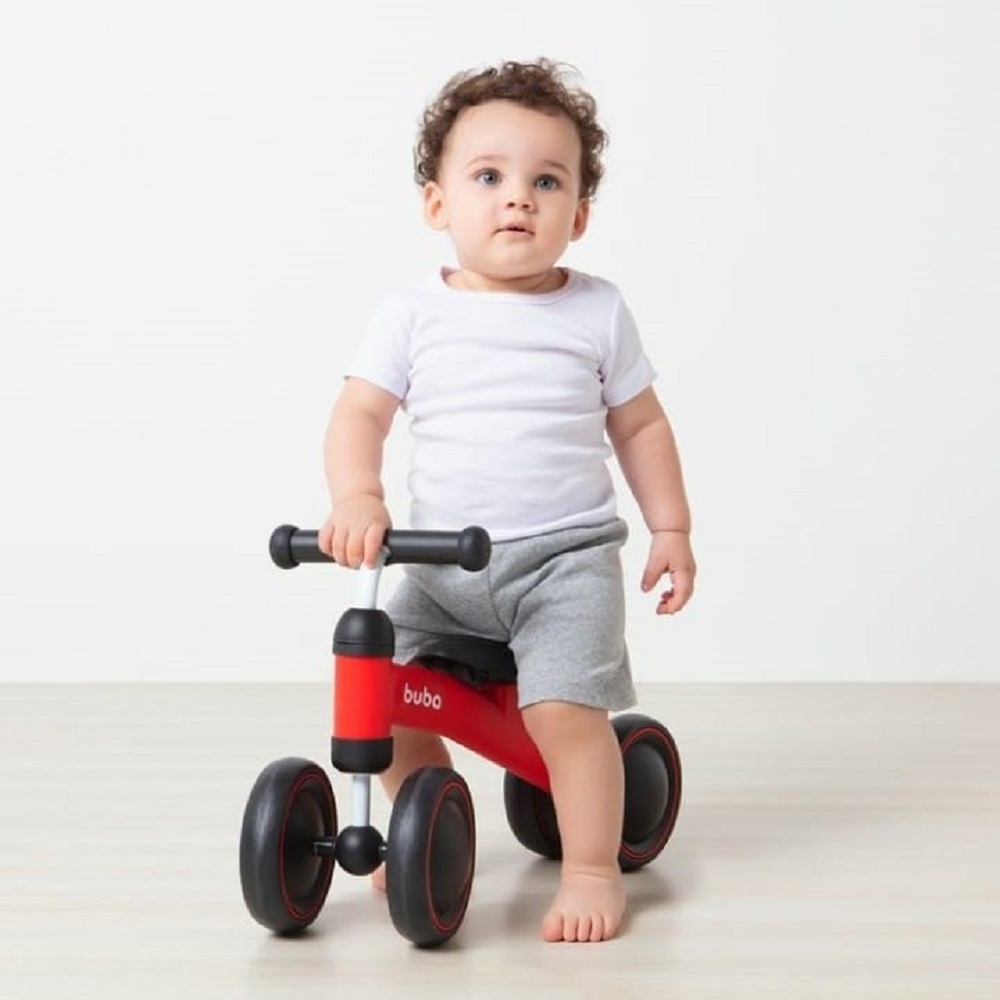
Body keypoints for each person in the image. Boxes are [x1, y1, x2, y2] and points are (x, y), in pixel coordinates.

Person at [318, 58, 696, 944]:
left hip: (562, 564)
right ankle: (428, 820)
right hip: (438, 567)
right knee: (381, 690)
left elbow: (641, 426)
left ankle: (593, 865)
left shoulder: (597, 311)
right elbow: (359, 412)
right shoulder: (412, 313)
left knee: (563, 713)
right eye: (488, 176)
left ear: (580, 216)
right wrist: (358, 494)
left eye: (547, 181)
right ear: (437, 203)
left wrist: (670, 526)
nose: (518, 197)